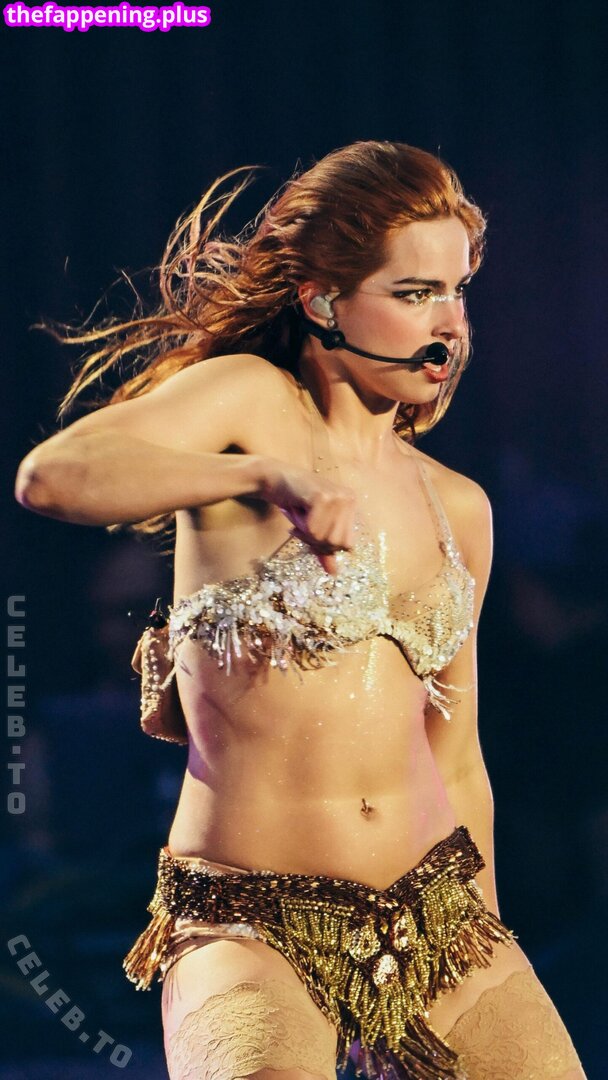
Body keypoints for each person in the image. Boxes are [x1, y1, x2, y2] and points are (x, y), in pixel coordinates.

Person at [15, 140, 586, 1080]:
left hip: (436, 918)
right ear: (324, 302)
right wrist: (260, 476)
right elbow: (54, 476)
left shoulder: (461, 506)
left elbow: (458, 758)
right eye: (414, 293)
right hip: (250, 921)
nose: (448, 324)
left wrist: (485, 939)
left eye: (457, 292)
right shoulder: (249, 402)